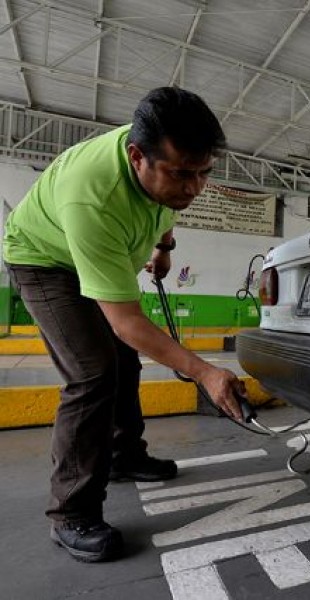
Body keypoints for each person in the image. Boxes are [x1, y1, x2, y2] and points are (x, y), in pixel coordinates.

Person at [2, 86, 247, 563]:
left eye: (203, 174)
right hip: (45, 261)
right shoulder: (93, 196)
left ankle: (123, 456)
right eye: (181, 174)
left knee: (124, 363)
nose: (194, 188)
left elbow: (166, 208)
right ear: (137, 157)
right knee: (92, 371)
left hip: (87, 253)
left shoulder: (163, 173)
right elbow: (127, 321)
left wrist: (164, 248)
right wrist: (206, 372)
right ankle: (71, 513)